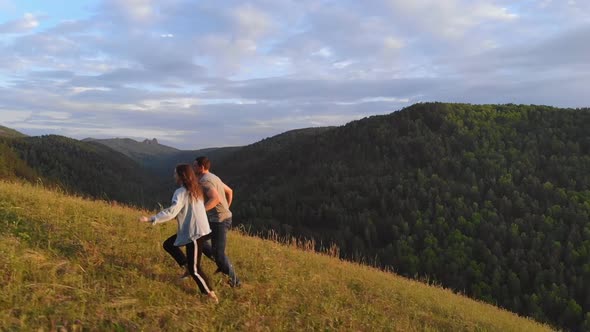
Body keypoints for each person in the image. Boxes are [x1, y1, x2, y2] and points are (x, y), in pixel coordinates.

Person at [139, 164, 218, 303]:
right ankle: (187, 266)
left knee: (195, 269)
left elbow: (172, 212)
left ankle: (210, 294)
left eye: (175, 174)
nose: (173, 176)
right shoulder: (195, 190)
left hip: (195, 233)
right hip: (198, 231)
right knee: (169, 244)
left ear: (182, 176)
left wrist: (151, 218)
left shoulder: (181, 193)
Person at [193, 156, 241, 287]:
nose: (193, 168)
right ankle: (221, 264)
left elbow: (215, 199)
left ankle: (235, 282)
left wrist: (200, 211)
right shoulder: (214, 177)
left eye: (195, 166)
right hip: (220, 218)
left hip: (219, 221)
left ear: (201, 167)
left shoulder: (205, 181)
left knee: (218, 254)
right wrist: (227, 208)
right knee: (199, 239)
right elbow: (230, 191)